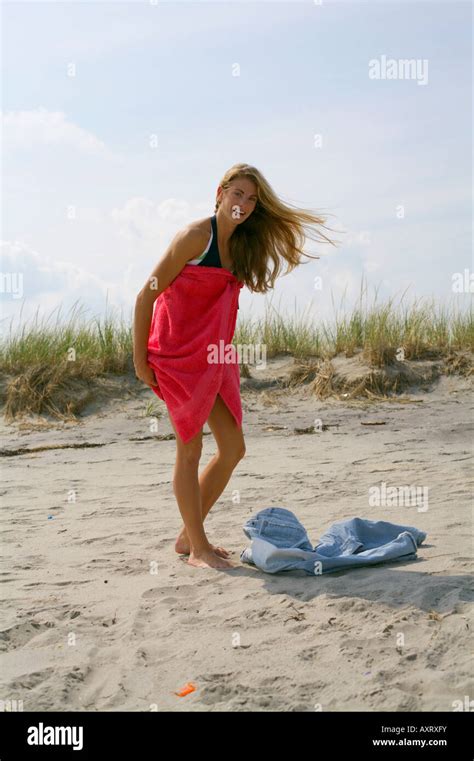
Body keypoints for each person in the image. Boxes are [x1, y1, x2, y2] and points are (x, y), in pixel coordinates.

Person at [133, 163, 338, 570]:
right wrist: (140, 361)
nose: (242, 204)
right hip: (177, 355)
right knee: (189, 448)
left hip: (214, 358)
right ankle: (198, 548)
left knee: (233, 448)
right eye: (237, 194)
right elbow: (146, 296)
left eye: (251, 199)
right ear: (220, 192)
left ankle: (187, 536)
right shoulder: (195, 237)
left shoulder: (240, 247)